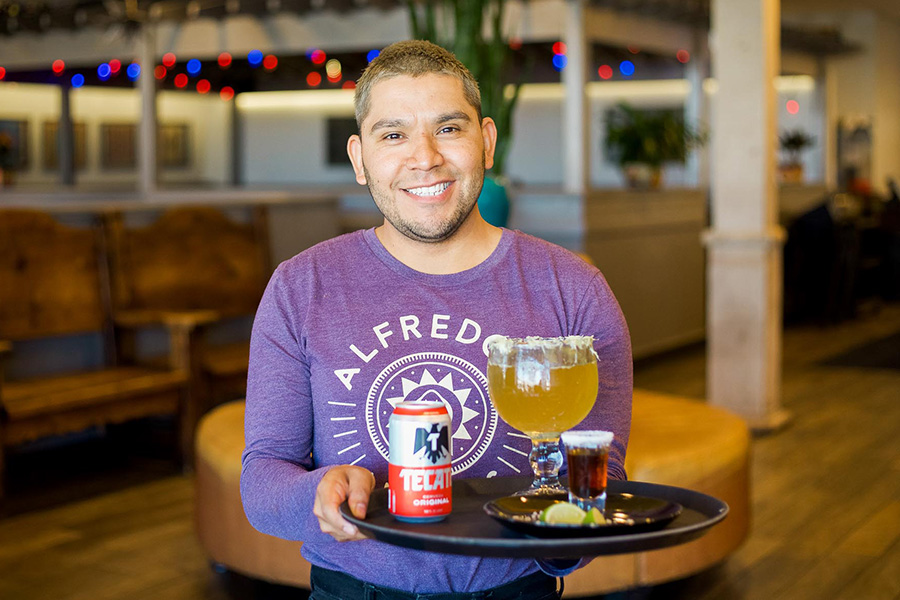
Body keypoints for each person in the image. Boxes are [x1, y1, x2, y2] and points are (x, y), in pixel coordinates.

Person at [241, 40, 632, 600]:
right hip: (353, 591)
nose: (424, 157)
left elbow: (602, 477)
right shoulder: (301, 287)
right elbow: (262, 478)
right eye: (393, 134)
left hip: (515, 591)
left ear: (487, 141)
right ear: (359, 158)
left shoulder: (574, 290)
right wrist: (318, 494)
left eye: (448, 128)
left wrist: (566, 534)